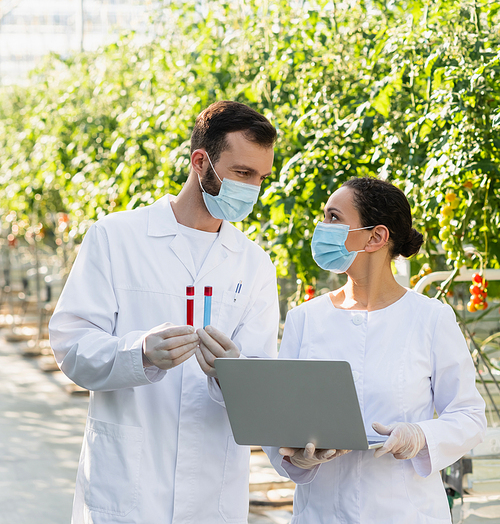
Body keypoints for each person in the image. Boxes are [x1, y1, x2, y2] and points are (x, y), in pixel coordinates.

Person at [49, 101, 279, 524]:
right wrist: (138, 354)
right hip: (129, 484)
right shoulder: (117, 237)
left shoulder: (254, 264)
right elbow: (71, 343)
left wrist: (235, 372)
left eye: (260, 178)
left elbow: (262, 379)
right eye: (242, 173)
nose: (252, 190)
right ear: (200, 161)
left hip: (213, 488)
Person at [265, 176, 486, 524]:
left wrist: (420, 437)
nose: (322, 228)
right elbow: (282, 419)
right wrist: (295, 458)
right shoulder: (304, 318)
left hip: (405, 513)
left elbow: (469, 416)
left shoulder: (430, 318)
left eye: (334, 218)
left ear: (376, 237)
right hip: (321, 514)